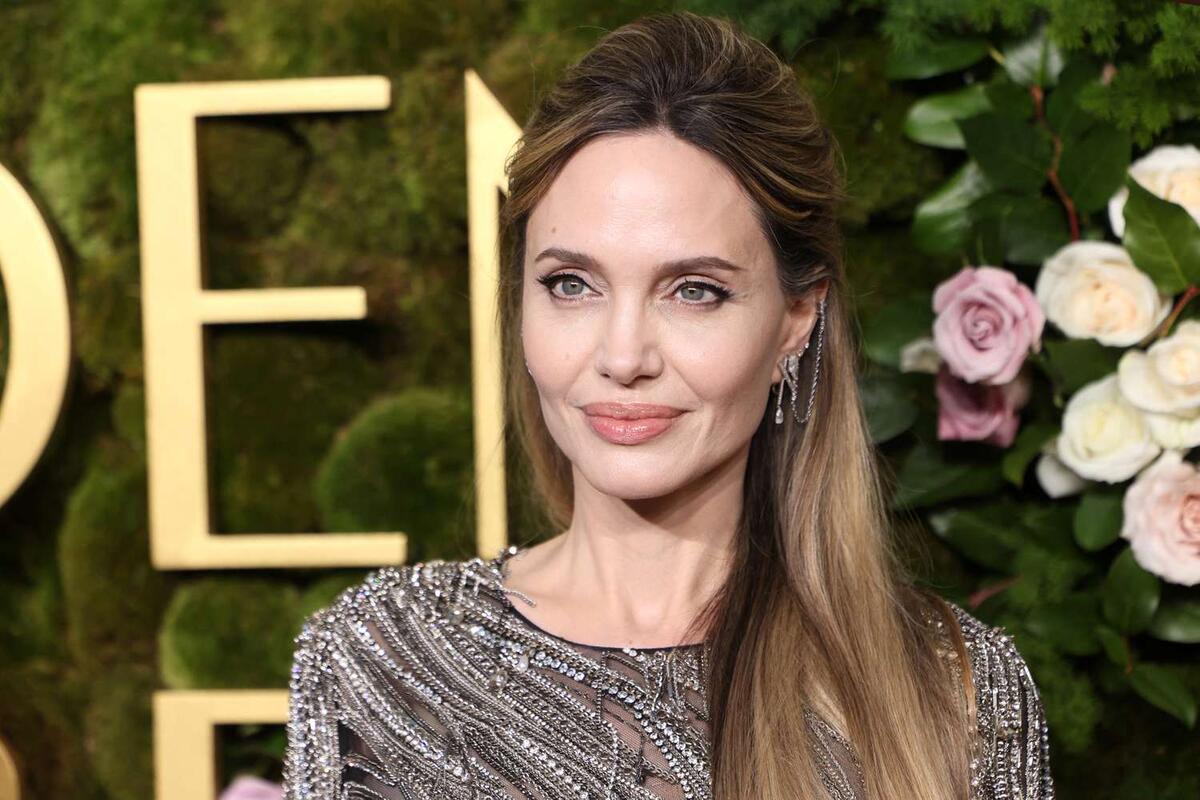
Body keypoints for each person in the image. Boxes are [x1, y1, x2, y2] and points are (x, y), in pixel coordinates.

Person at [282, 11, 1054, 800]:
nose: (623, 358)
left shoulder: (953, 691)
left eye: (694, 291)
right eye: (571, 284)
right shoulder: (382, 662)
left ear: (796, 319)